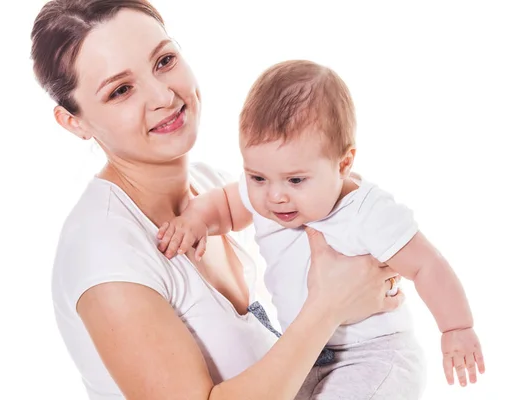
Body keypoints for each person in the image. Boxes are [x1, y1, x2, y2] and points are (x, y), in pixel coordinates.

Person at [31, 1, 404, 399]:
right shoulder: (104, 252)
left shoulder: (216, 188)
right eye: (121, 90)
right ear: (74, 121)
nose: (163, 95)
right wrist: (329, 306)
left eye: (164, 61)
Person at [158, 60, 486, 399]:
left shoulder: (367, 212)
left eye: (296, 180)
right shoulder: (267, 194)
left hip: (373, 355)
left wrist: (456, 327)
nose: (275, 196)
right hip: (307, 354)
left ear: (343, 164)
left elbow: (427, 264)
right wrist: (194, 219)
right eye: (257, 177)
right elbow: (225, 206)